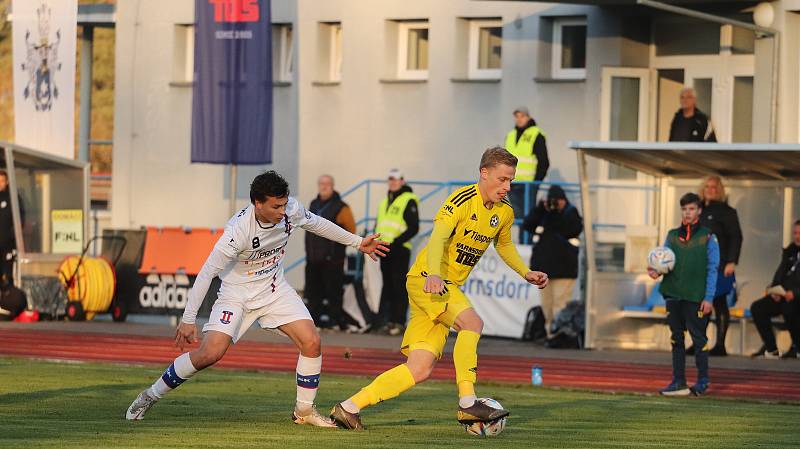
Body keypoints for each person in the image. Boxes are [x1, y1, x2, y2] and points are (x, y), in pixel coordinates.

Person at [126, 171, 389, 426]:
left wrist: (357, 242)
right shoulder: (237, 231)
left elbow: (317, 223)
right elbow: (207, 272)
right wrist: (188, 319)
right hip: (236, 295)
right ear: (257, 203)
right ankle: (150, 395)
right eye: (276, 207)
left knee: (312, 341)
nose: (282, 211)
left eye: (284, 204)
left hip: (274, 289)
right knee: (210, 353)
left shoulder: (290, 211)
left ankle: (304, 411)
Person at [330, 147, 549, 430]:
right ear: (484, 173)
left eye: (511, 181)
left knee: (419, 369)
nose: (507, 187)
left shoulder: (504, 212)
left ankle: (349, 408)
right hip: (428, 280)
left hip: (441, 285)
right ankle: (468, 403)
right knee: (473, 322)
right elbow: (437, 238)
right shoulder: (460, 200)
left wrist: (526, 272)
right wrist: (434, 274)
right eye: (502, 179)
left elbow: (504, 244)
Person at [648, 193, 719, 397]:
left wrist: (709, 297)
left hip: (696, 297)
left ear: (699, 211)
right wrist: (655, 271)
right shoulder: (671, 235)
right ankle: (678, 381)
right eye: (684, 209)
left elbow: (713, 268)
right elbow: (664, 262)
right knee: (676, 339)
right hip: (673, 294)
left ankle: (703, 381)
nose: (687, 213)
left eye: (691, 209)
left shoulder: (708, 236)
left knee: (699, 339)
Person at [688, 176, 742, 357]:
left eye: (714, 187)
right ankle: (698, 343)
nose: (710, 190)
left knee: (718, 302)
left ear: (720, 190)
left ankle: (720, 345)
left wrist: (732, 261)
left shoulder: (727, 212)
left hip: (720, 265)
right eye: (707, 187)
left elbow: (736, 237)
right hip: (700, 265)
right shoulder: (698, 210)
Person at [521, 185, 582, 337]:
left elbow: (573, 229)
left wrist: (557, 213)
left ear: (564, 200)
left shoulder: (571, 213)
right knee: (547, 306)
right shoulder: (544, 213)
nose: (555, 204)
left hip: (564, 271)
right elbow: (527, 225)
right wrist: (541, 209)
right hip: (545, 270)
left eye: (558, 201)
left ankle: (558, 334)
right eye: (552, 201)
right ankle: (550, 334)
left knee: (559, 305)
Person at [305, 174, 357, 330]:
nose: (324, 186)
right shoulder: (313, 204)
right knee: (313, 293)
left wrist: (336, 251)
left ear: (332, 185)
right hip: (313, 258)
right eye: (321, 183)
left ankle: (334, 321)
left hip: (333, 259)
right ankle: (314, 321)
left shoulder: (341, 207)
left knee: (333, 292)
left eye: (327, 184)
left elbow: (351, 230)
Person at [374, 169, 419, 335]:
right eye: (390, 179)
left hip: (399, 250)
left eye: (396, 179)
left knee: (399, 285)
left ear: (402, 181)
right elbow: (380, 224)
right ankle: (388, 321)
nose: (393, 182)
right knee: (387, 286)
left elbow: (414, 227)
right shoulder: (385, 200)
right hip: (384, 248)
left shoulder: (408, 200)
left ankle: (399, 322)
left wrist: (397, 242)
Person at [750, 220, 800, 360]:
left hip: (795, 297)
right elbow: (780, 273)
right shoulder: (790, 251)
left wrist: (795, 293)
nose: (797, 236)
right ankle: (771, 348)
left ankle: (797, 346)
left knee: (790, 308)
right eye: (795, 233)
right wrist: (774, 290)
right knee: (758, 307)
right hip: (784, 295)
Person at [504, 107, 549, 241]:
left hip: (528, 185)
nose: (519, 119)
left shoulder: (536, 134)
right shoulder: (510, 135)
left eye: (522, 116)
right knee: (519, 218)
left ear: (528, 117)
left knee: (528, 217)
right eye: (516, 116)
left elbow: (544, 162)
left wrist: (536, 182)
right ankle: (522, 244)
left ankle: (527, 244)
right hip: (512, 183)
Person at [0, 170, 22, 287]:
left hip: (8, 244)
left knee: (8, 273)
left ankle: (9, 298)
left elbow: (19, 218)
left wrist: (14, 236)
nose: (0, 183)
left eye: (2, 181)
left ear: (7, 182)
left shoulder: (12, 197)